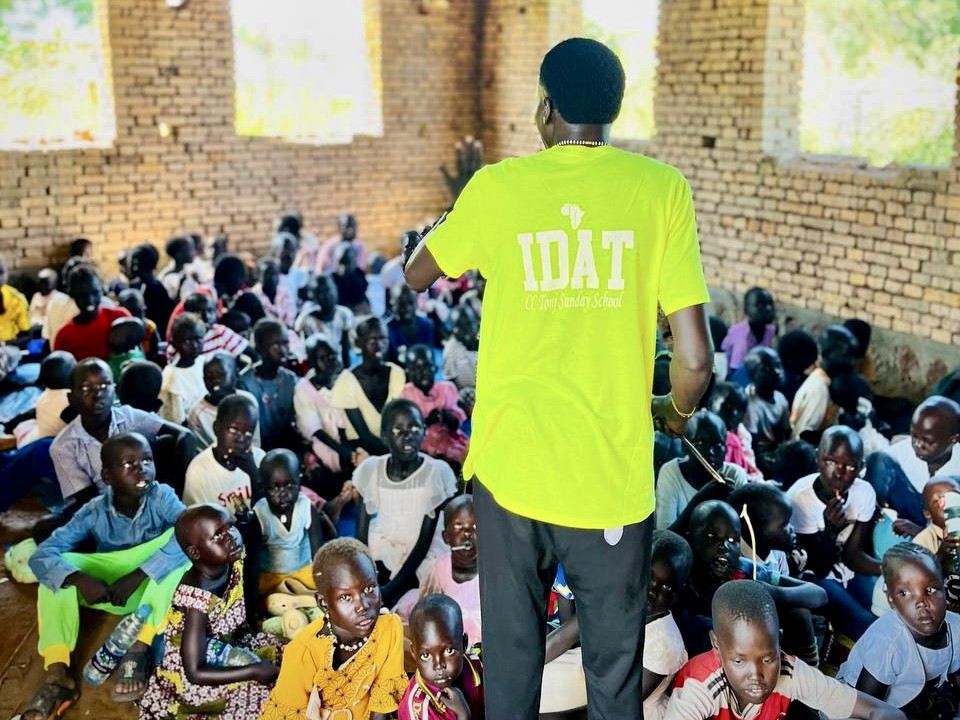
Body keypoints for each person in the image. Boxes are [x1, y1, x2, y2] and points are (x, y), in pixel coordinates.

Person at [403, 37, 714, 718]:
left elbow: (417, 270)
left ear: (545, 107)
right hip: (608, 479)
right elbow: (695, 360)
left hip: (512, 473)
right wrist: (673, 410)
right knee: (613, 671)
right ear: (615, 109)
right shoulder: (661, 191)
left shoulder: (498, 188)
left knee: (512, 668)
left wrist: (444, 227)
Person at [23, 434, 189, 717]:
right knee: (58, 568)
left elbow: (192, 533)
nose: (142, 469)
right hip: (107, 591)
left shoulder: (162, 496)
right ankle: (57, 672)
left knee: (184, 538)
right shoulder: (93, 512)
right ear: (107, 476)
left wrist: (137, 575)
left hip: (150, 591)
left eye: (147, 460)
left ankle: (139, 646)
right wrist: (78, 579)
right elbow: (42, 556)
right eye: (129, 464)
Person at [667, 580, 906, 720]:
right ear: (716, 646)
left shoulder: (790, 672)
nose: (756, 676)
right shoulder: (698, 689)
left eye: (768, 659)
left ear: (779, 643)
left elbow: (878, 711)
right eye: (739, 661)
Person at [138, 505, 282, 720]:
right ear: (195, 553)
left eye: (229, 527)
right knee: (265, 700)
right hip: (197, 671)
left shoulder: (230, 557)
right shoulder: (197, 595)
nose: (230, 537)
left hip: (229, 642)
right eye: (218, 535)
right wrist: (252, 671)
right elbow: (195, 672)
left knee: (289, 653)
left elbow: (246, 588)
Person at [540, 530, 694, 720]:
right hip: (585, 674)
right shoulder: (614, 597)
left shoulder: (665, 645)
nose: (652, 590)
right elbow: (563, 637)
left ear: (681, 590)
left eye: (666, 587)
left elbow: (616, 707)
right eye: (648, 575)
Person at [258, 537, 408, 720]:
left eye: (369, 588)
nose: (363, 606)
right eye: (346, 597)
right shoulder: (302, 653)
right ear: (323, 603)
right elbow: (289, 714)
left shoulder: (389, 629)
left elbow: (381, 706)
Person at [679, 500, 826, 664]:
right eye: (712, 536)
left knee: (799, 614)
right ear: (690, 538)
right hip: (708, 666)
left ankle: (803, 677)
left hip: (757, 662)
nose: (724, 546)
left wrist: (772, 593)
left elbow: (818, 594)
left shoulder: (743, 570)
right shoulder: (683, 580)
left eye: (733, 539)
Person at [355, 399, 457, 608]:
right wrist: (366, 576)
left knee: (411, 590)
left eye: (414, 427)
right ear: (384, 436)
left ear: (424, 431)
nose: (407, 435)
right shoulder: (371, 469)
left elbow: (423, 544)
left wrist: (389, 590)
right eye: (397, 430)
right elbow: (362, 533)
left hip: (422, 550)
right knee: (371, 577)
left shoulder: (435, 472)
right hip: (385, 541)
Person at [838, 544, 960, 717]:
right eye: (904, 593)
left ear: (944, 587)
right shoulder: (887, 644)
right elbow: (865, 707)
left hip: (915, 697)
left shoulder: (956, 628)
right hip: (863, 706)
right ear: (891, 600)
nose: (921, 603)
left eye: (930, 590)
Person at [49, 358, 187, 506]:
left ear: (114, 391)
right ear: (71, 398)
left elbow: (185, 435)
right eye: (86, 389)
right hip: (105, 511)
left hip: (148, 498)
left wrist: (178, 487)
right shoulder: (63, 446)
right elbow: (88, 502)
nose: (98, 395)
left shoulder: (128, 416)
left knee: (166, 442)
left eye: (104, 386)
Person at [786, 425, 880, 639]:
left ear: (861, 468)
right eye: (830, 462)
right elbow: (817, 568)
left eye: (850, 467)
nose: (838, 473)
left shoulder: (864, 493)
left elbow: (853, 555)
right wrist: (830, 532)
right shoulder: (799, 500)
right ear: (817, 457)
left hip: (848, 569)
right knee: (867, 627)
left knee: (887, 611)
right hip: (816, 578)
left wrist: (889, 568)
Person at [864, 396, 960, 530]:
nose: (918, 444)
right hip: (908, 514)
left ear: (953, 440)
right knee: (877, 460)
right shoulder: (902, 451)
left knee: (952, 485)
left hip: (946, 533)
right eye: (914, 436)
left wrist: (921, 533)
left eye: (928, 441)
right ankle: (863, 538)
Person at [250, 448, 328, 595]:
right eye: (274, 488)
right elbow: (253, 563)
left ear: (300, 482)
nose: (283, 494)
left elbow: (318, 553)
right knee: (263, 594)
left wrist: (323, 589)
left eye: (290, 485)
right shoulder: (259, 514)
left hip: (303, 573)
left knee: (326, 580)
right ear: (263, 487)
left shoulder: (306, 507)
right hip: (271, 577)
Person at [655, 410, 749, 530]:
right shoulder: (671, 473)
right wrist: (700, 499)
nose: (710, 451)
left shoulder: (735, 475)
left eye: (717, 444)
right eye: (700, 444)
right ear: (685, 447)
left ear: (726, 449)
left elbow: (745, 533)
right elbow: (665, 537)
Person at [399, 594, 484, 720]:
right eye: (426, 655)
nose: (438, 666)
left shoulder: (478, 667)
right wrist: (463, 716)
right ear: (414, 652)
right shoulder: (418, 708)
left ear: (464, 643)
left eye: (449, 651)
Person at [332, 316, 406, 456]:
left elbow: (397, 419)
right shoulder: (345, 382)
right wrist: (395, 452)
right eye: (372, 340)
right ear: (359, 343)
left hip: (393, 444)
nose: (379, 345)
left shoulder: (396, 373)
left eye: (383, 339)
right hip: (361, 448)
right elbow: (363, 435)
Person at [183, 393, 265, 517]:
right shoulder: (199, 471)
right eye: (233, 430)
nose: (241, 439)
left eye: (248, 433)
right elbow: (201, 522)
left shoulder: (259, 459)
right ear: (216, 428)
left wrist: (254, 474)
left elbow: (269, 515)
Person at [294, 333, 357, 495]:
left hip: (347, 437)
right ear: (313, 362)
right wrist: (343, 451)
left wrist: (348, 446)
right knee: (334, 470)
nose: (331, 360)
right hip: (324, 443)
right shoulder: (304, 389)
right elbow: (315, 430)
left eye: (333, 355)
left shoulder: (344, 379)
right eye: (323, 358)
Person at [418, 494, 480, 646]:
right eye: (459, 527)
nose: (467, 535)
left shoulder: (494, 570)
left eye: (475, 527)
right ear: (446, 537)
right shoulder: (437, 571)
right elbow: (427, 616)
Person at [401, 343, 470, 470]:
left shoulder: (446, 389)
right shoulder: (406, 395)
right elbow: (407, 429)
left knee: (465, 460)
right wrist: (427, 421)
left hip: (449, 441)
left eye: (427, 367)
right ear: (408, 372)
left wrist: (448, 418)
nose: (422, 373)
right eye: (416, 369)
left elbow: (456, 424)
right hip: (421, 445)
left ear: (435, 368)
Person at [790, 324, 858, 442]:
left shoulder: (827, 380)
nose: (852, 362)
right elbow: (803, 437)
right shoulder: (818, 388)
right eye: (846, 355)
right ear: (827, 353)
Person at [237, 318, 298, 450]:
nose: (283, 351)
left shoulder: (290, 379)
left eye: (285, 343)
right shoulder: (245, 384)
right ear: (259, 347)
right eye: (275, 345)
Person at [53, 265, 131, 361]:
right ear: (72, 295)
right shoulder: (65, 335)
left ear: (102, 290)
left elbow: (138, 355)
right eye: (82, 295)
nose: (90, 300)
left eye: (95, 293)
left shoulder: (119, 317)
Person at [187, 352, 261, 448]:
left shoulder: (248, 401)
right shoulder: (197, 413)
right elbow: (201, 449)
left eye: (221, 374)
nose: (215, 380)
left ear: (236, 374)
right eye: (209, 376)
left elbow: (255, 441)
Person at [742, 346, 791, 477]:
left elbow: (784, 433)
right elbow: (752, 445)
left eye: (778, 365)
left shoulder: (780, 398)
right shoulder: (749, 403)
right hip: (758, 454)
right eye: (767, 369)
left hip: (775, 450)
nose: (777, 372)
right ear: (752, 374)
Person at [294, 273, 355, 369]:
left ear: (335, 289)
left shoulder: (344, 315)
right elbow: (309, 352)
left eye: (328, 290)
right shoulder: (306, 320)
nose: (325, 296)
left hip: (339, 363)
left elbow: (345, 349)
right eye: (319, 293)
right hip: (318, 366)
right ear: (312, 295)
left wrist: (347, 372)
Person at [709, 382, 762, 481]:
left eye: (741, 409)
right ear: (711, 403)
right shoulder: (697, 428)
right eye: (728, 406)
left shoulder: (742, 434)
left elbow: (750, 468)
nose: (735, 413)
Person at [159, 313, 206, 425]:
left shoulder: (202, 361)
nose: (194, 345)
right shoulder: (172, 381)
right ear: (174, 344)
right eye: (187, 341)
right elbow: (177, 423)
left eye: (198, 339)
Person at [721, 287, 776, 379]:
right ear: (746, 310)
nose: (768, 308)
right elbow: (735, 372)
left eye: (770, 304)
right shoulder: (740, 335)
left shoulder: (770, 330)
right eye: (760, 305)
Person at [126, 243, 176, 339]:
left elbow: (158, 322)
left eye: (133, 263)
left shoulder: (155, 289)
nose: (130, 267)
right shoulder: (138, 286)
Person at [388, 285, 435, 363]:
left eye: (410, 302)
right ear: (393, 304)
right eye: (402, 304)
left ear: (416, 302)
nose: (407, 308)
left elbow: (430, 359)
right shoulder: (388, 330)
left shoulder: (427, 326)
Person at [441, 305, 479, 392]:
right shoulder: (450, 350)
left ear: (476, 322)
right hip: (467, 393)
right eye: (459, 326)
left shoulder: (485, 339)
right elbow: (450, 383)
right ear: (453, 329)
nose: (465, 329)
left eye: (468, 324)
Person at [117, 288, 161, 361]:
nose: (136, 321)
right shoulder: (117, 332)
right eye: (130, 315)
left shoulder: (149, 328)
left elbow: (154, 354)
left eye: (138, 313)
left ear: (144, 308)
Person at [0, 255, 31, 343]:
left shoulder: (17, 299)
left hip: (8, 348)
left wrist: (4, 344)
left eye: (1, 272)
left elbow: (26, 334)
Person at [159, 234, 199, 301]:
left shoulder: (188, 271)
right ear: (178, 254)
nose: (194, 252)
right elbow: (170, 303)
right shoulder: (168, 277)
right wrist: (181, 284)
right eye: (189, 249)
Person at [106, 316, 147, 381]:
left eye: (117, 335)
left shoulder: (133, 362)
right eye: (112, 332)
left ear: (131, 339)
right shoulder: (116, 354)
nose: (111, 337)